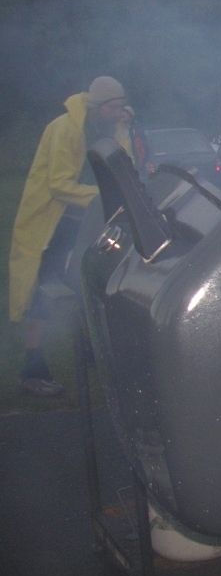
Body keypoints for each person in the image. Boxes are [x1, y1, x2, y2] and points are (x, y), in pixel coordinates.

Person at [9, 76, 132, 396]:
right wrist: (102, 197)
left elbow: (123, 166)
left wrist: (122, 129)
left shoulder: (110, 128)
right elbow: (59, 185)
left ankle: (90, 353)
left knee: (88, 285)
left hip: (89, 223)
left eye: (122, 106)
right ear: (97, 107)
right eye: (115, 108)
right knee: (47, 292)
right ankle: (32, 370)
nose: (121, 112)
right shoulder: (64, 128)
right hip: (54, 225)